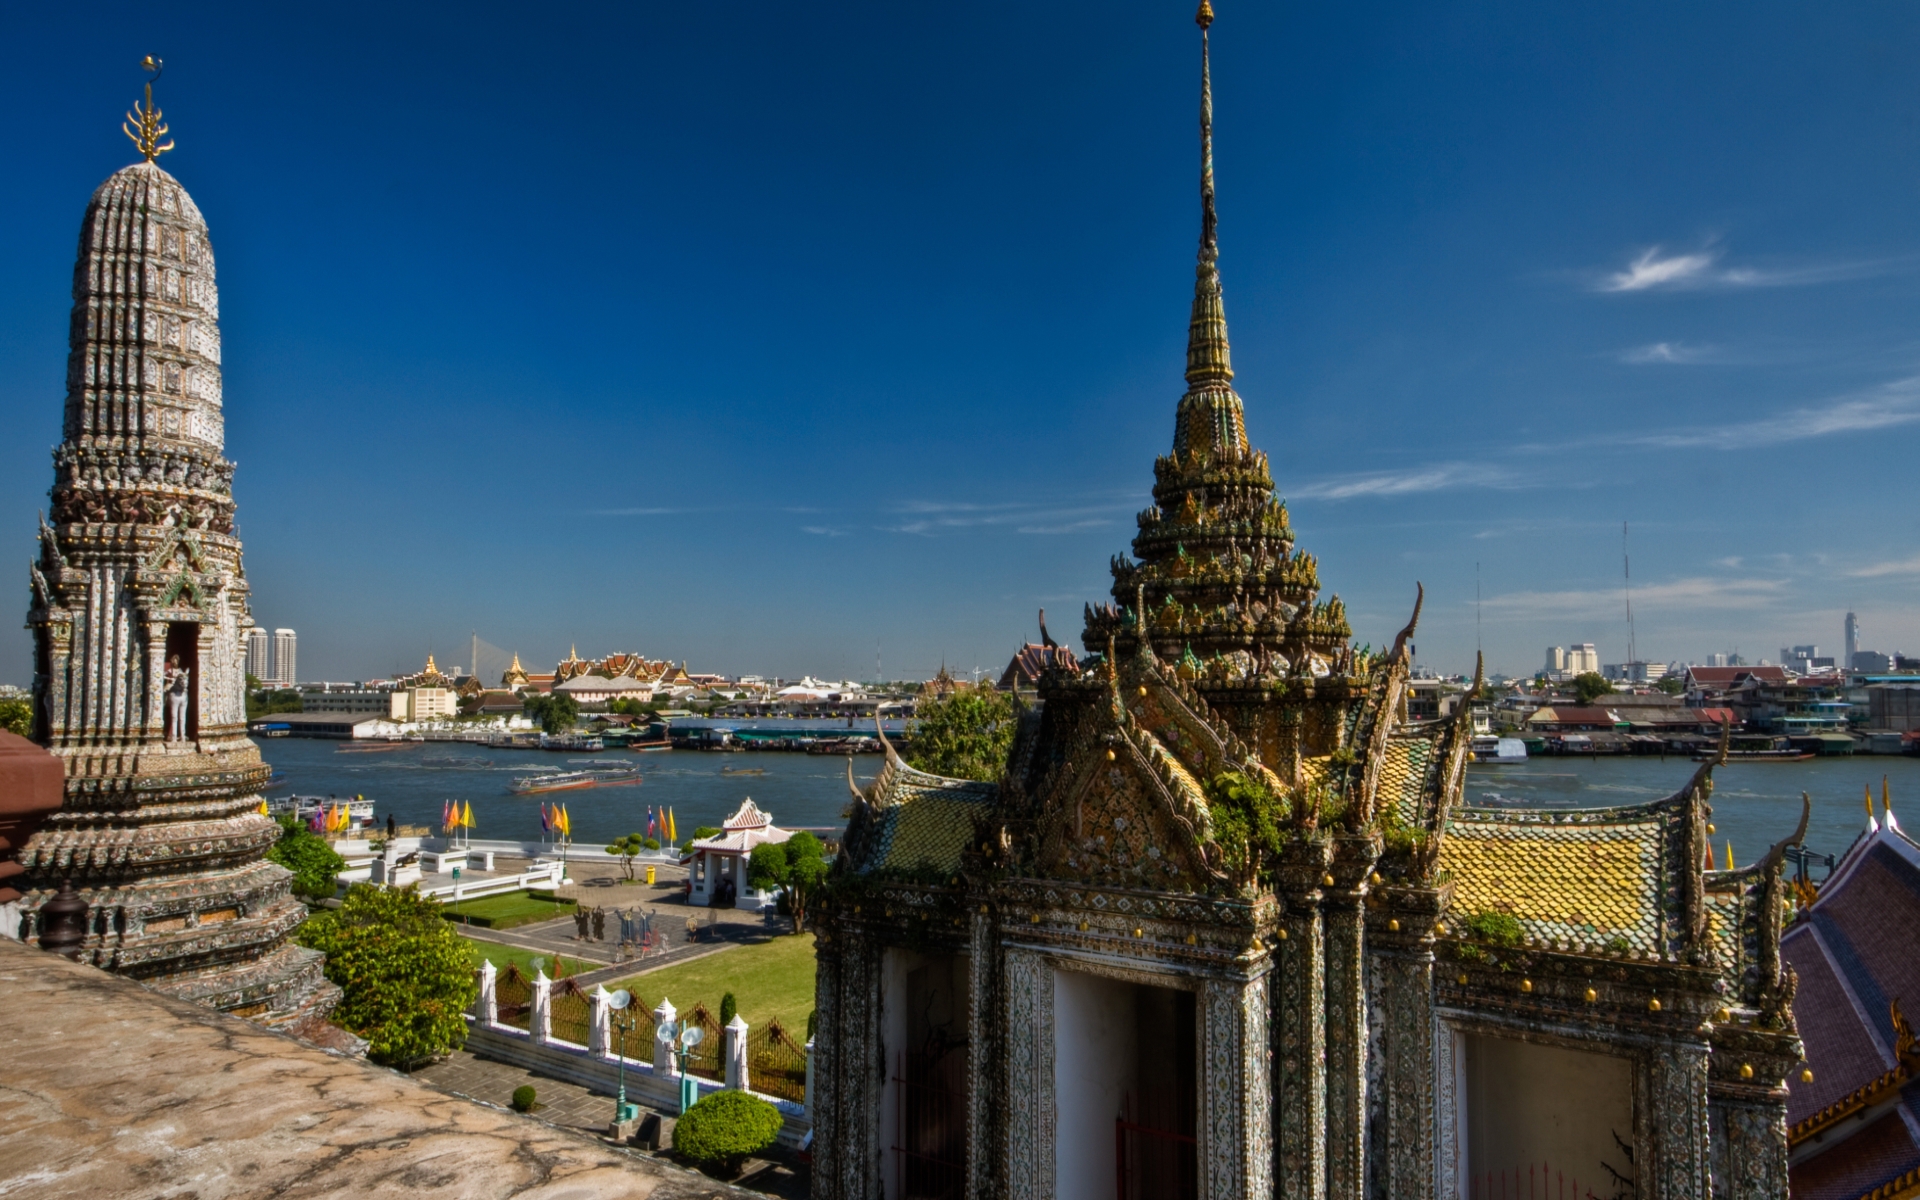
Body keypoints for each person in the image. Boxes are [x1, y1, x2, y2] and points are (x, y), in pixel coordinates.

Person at [163, 654, 190, 742]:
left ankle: (182, 735)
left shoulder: (180, 670)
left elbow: (183, 676)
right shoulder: (170, 670)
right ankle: (173, 736)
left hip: (181, 690)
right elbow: (162, 675)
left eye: (176, 660)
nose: (175, 662)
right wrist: (168, 678)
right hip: (173, 686)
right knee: (174, 717)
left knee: (182, 717)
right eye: (174, 660)